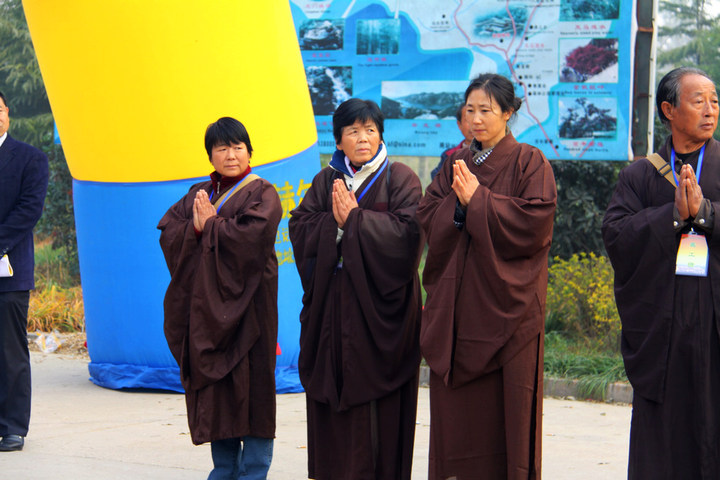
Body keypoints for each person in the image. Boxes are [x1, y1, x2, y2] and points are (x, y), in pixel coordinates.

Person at [417, 74, 557, 479]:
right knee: (457, 427)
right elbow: (427, 216)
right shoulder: (453, 164)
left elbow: (535, 223)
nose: (476, 119)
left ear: (508, 113)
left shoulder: (530, 162)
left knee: (509, 417)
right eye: (470, 110)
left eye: (487, 110)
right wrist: (460, 208)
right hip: (459, 316)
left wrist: (478, 201)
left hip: (508, 312)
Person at [289, 98, 424, 480]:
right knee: (333, 393)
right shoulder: (325, 181)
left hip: (381, 312)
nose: (363, 138)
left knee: (379, 406)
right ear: (338, 140)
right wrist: (334, 226)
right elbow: (300, 228)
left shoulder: (400, 178)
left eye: (370, 130)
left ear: (380, 134)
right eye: (353, 131)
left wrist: (355, 221)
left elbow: (409, 236)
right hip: (333, 309)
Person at [602, 67, 720, 479]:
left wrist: (704, 214)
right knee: (664, 439)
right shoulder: (641, 174)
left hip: (715, 323)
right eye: (698, 100)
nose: (710, 110)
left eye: (714, 100)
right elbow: (616, 234)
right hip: (662, 327)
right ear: (668, 109)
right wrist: (671, 215)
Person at [158, 117, 281, 479]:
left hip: (250, 312)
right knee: (219, 392)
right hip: (210, 317)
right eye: (222, 148)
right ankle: (223, 471)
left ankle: (254, 472)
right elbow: (170, 232)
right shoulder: (200, 193)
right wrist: (196, 227)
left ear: (249, 151)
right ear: (210, 155)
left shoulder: (263, 192)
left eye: (238, 147)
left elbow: (252, 237)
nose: (231, 155)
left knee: (255, 391)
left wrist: (210, 226)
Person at [0, 91, 49, 453]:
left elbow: (28, 211)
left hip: (8, 271)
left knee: (9, 351)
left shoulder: (31, 159)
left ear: (8, 114)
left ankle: (12, 427)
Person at [431, 103, 474, 179]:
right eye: (468, 120)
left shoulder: (494, 154)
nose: (474, 124)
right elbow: (437, 182)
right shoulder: (448, 155)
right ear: (459, 124)